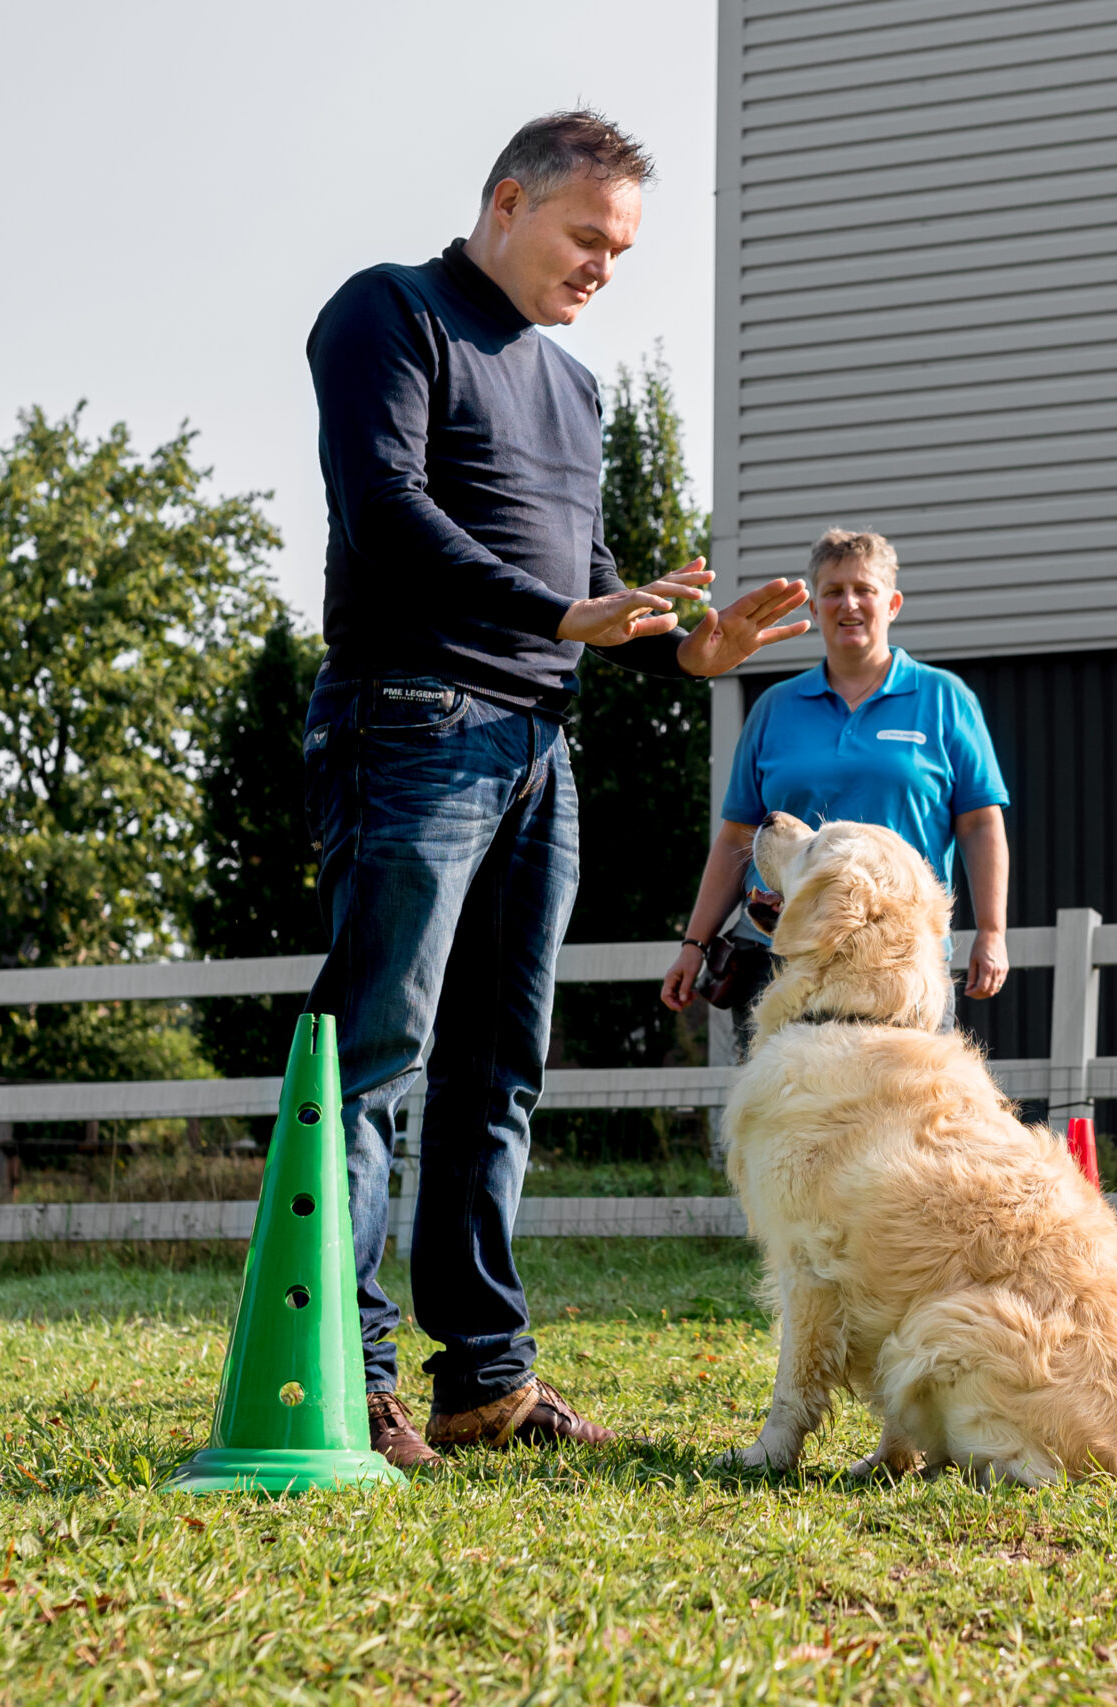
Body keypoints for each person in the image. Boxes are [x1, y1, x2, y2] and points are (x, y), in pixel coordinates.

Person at [301, 111, 811, 1471]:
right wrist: (565, 611)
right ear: (509, 201)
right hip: (409, 721)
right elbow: (386, 515)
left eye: (621, 252)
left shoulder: (574, 391)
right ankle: (348, 1383)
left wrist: (689, 646)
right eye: (587, 236)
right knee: (375, 1059)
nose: (602, 268)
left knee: (498, 1071)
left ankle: (484, 1382)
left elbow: (598, 586)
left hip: (538, 748)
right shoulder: (389, 315)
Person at [660, 530, 1010, 1028]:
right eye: (832, 590)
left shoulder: (945, 700)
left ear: (892, 603)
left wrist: (992, 932)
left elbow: (980, 825)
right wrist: (693, 945)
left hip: (898, 962)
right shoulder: (774, 709)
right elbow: (737, 837)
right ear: (815, 604)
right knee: (781, 1105)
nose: (849, 603)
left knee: (901, 1104)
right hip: (781, 957)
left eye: (864, 589)